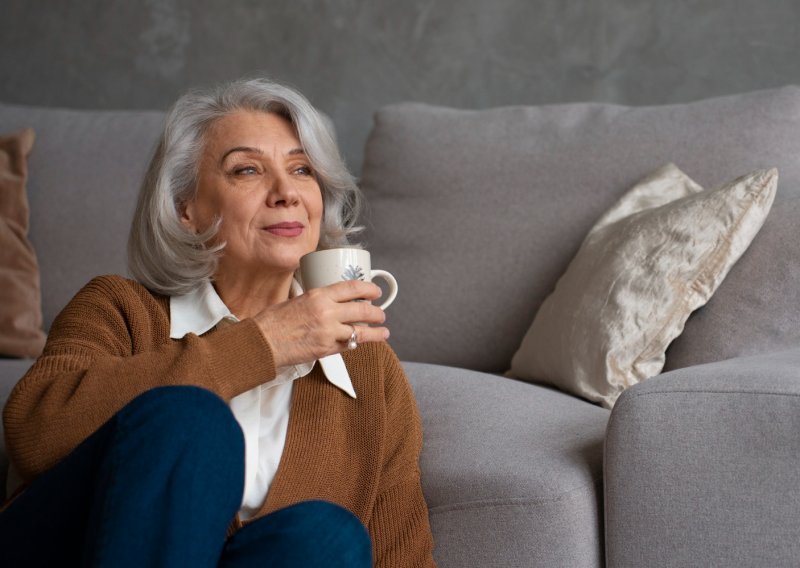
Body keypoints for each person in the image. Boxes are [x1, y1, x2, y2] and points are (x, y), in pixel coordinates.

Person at [0, 78, 436, 567]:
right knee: (190, 419)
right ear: (186, 208)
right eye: (247, 169)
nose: (286, 192)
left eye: (302, 169)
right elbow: (35, 435)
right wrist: (263, 344)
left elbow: (405, 557)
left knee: (326, 536)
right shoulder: (118, 308)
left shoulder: (369, 371)